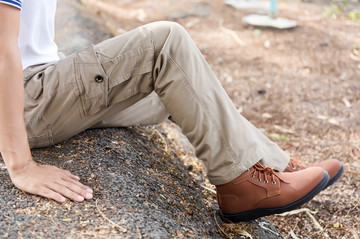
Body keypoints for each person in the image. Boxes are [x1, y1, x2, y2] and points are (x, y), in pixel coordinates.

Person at [0, 0, 343, 222]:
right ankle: (242, 187)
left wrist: (188, 65)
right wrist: (21, 165)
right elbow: (3, 54)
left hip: (40, 87)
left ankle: (271, 165)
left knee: (185, 76)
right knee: (167, 40)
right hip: (27, 98)